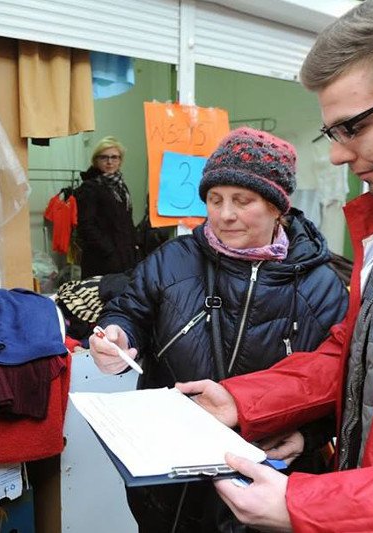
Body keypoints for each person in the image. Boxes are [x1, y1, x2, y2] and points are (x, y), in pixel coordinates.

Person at [177, 1, 373, 531]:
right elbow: (356, 353)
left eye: (352, 127)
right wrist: (241, 399)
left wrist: (313, 506)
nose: (335, 156)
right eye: (331, 133)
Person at [90, 127, 348, 532]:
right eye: (215, 199)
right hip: (168, 474)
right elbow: (130, 310)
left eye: (242, 201)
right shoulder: (175, 259)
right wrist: (117, 335)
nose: (225, 214)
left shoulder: (321, 285)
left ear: (279, 206)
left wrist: (309, 435)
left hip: (262, 479)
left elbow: (336, 377)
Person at [74, 135, 138, 277]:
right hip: (101, 261)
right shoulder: (89, 188)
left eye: (114, 157)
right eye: (104, 157)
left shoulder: (121, 187)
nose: (110, 162)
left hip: (125, 259)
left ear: (120, 161)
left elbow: (126, 221)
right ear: (95, 160)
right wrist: (109, 251)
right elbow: (86, 226)